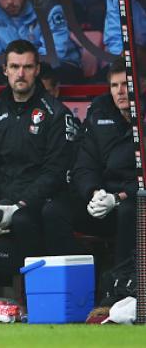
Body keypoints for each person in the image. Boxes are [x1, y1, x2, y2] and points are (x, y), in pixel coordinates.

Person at [0, 40, 76, 281]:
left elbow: (54, 171)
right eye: (14, 66)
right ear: (5, 70)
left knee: (22, 221)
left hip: (35, 200)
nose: (20, 74)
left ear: (37, 70)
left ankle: (28, 296)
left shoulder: (56, 113)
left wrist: (19, 205)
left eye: (27, 67)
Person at [43, 58, 138, 264]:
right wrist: (95, 193)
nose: (120, 91)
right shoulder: (98, 115)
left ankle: (121, 284)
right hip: (103, 202)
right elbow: (84, 165)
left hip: (131, 202)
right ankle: (79, 282)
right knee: (54, 211)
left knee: (132, 210)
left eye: (126, 84)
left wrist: (119, 197)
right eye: (114, 85)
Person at [0, 0, 82, 84]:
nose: (9, 1)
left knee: (45, 76)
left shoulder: (49, 9)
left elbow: (54, 53)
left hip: (57, 65)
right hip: (14, 66)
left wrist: (24, 68)